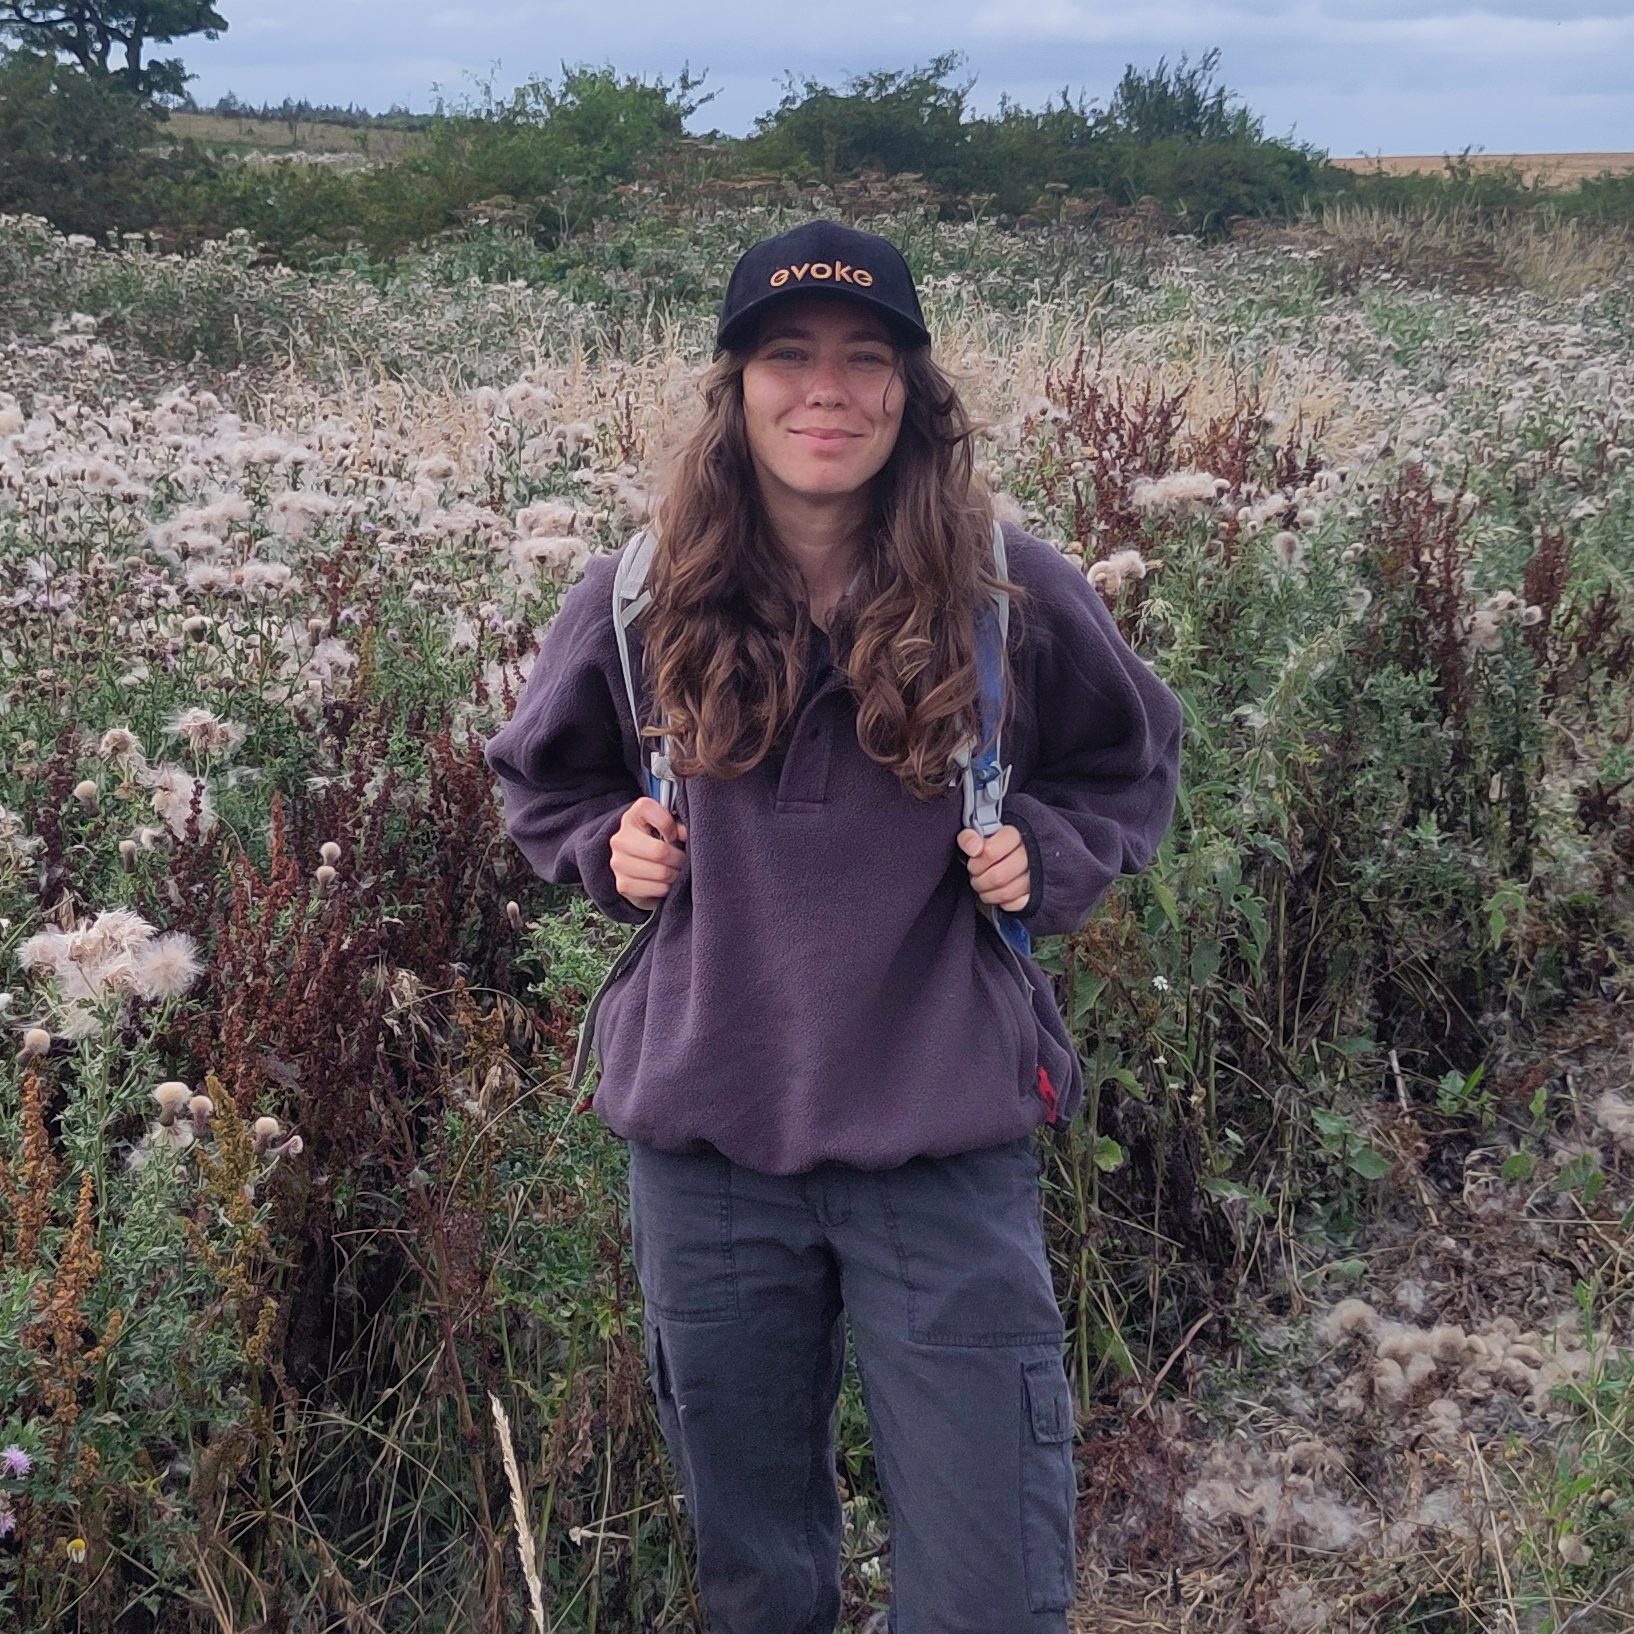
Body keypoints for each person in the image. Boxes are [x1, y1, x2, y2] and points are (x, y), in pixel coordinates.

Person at [483, 219, 1184, 1634]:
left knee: (988, 1583)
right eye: (787, 356)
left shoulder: (1007, 594)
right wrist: (605, 846)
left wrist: (1044, 853)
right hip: (708, 1150)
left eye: (867, 359)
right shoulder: (635, 597)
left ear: (911, 393)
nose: (827, 390)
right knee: (758, 1577)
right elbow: (538, 780)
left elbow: (1133, 764)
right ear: (735, 389)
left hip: (938, 1139)